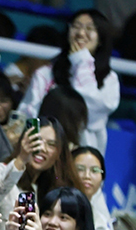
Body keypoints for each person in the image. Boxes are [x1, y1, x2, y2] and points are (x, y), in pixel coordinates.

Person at [18, 10, 120, 153]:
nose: (81, 33)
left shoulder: (109, 79)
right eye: (76, 26)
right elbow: (27, 113)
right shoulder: (45, 73)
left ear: (101, 39)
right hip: (43, 150)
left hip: (84, 155)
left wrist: (82, 62)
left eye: (89, 29)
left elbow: (91, 116)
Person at [0, 117, 81, 227]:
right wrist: (22, 159)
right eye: (36, 140)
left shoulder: (56, 188)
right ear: (23, 141)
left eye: (51, 144)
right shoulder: (1, 171)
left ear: (59, 153)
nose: (42, 148)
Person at [73, 147, 122, 230]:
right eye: (80, 169)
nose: (87, 176)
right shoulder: (56, 210)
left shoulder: (103, 222)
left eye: (95, 170)